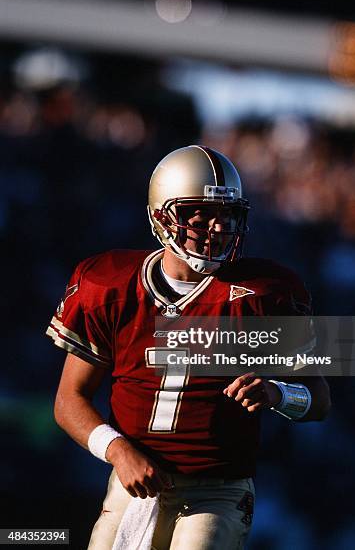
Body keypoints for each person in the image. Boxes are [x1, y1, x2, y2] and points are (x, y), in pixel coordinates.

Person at [47, 144, 331, 550]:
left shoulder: (264, 294)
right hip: (136, 484)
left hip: (217, 492)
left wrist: (276, 392)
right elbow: (68, 401)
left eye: (227, 215)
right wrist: (118, 450)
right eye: (201, 214)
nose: (217, 228)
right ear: (162, 216)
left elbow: (318, 400)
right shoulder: (109, 285)